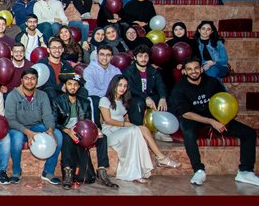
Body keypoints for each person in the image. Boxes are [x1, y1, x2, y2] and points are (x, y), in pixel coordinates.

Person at [170, 58, 259, 186]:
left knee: (249, 133)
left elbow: (223, 101)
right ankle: (199, 170)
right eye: (189, 69)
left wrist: (222, 119)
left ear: (201, 69)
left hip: (214, 117)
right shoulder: (179, 88)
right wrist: (211, 122)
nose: (193, 72)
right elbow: (186, 113)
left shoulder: (212, 82)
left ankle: (245, 172)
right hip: (193, 118)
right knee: (188, 134)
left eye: (196, 68)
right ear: (184, 72)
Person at [99, 76, 180, 183]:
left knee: (141, 130)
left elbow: (123, 117)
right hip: (110, 133)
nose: (122, 88)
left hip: (122, 131)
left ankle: (141, 170)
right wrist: (126, 124)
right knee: (136, 130)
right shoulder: (105, 100)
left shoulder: (123, 101)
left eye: (125, 86)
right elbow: (108, 120)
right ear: (113, 85)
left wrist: (126, 122)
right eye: (120, 85)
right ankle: (161, 158)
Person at [52, 74, 118, 190]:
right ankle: (67, 172)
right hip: (66, 131)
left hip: (82, 132)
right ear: (65, 86)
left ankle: (102, 172)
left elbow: (88, 121)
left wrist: (96, 130)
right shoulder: (57, 101)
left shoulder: (85, 103)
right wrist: (67, 130)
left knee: (103, 138)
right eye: (70, 84)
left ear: (79, 87)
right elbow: (54, 122)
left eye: (75, 85)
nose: (72, 87)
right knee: (67, 138)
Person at [4, 68, 61, 184]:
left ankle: (48, 172)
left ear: (37, 81)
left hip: (37, 127)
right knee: (17, 138)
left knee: (58, 135)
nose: (30, 81)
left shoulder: (42, 95)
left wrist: (50, 130)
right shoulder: (13, 95)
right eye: (27, 78)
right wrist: (28, 132)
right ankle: (16, 171)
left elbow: (47, 115)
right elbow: (10, 120)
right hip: (18, 128)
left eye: (33, 79)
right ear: (21, 80)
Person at [123, 45, 172, 142]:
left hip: (150, 96)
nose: (143, 59)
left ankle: (161, 131)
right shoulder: (129, 71)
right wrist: (146, 97)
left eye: (146, 56)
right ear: (135, 57)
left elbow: (160, 85)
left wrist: (163, 98)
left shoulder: (153, 71)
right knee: (138, 103)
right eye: (140, 56)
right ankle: (138, 130)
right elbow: (130, 88)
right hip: (134, 96)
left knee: (162, 101)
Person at [83, 45, 121, 125]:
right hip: (99, 98)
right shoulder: (89, 70)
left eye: (108, 55)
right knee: (94, 99)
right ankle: (97, 127)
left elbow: (120, 87)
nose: (105, 58)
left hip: (113, 98)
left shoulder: (116, 70)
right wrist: (108, 95)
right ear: (97, 56)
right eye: (102, 54)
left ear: (111, 57)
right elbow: (89, 90)